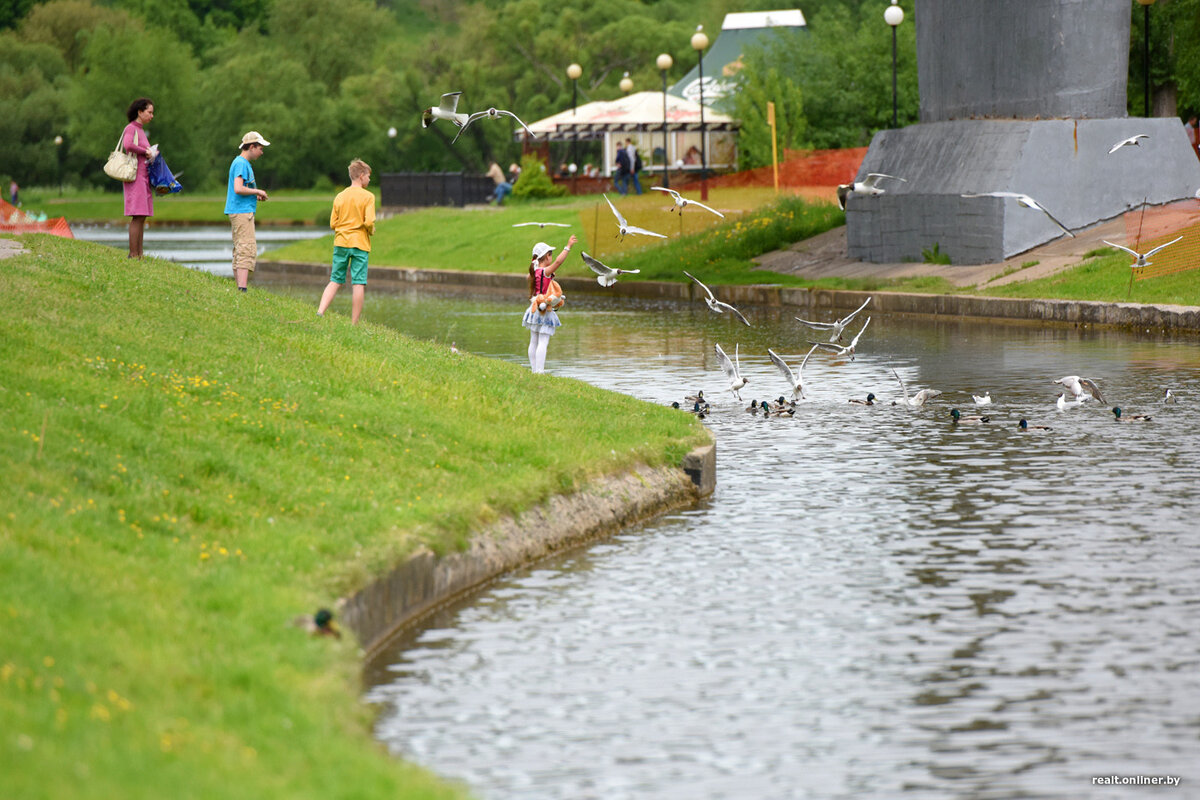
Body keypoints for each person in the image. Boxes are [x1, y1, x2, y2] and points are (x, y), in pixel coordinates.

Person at [317, 159, 376, 325]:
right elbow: (369, 222)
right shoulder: (369, 197)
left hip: (341, 243)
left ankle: (320, 311)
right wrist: (371, 230)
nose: (370, 180)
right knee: (358, 283)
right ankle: (354, 323)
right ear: (362, 175)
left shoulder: (340, 196)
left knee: (335, 279)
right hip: (360, 244)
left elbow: (332, 223)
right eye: (369, 176)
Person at [523, 234, 577, 374]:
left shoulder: (534, 271)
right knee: (543, 341)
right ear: (547, 256)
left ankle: (534, 370)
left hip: (533, 308)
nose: (552, 258)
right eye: (550, 255)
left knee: (533, 340)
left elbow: (528, 277)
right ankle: (539, 371)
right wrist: (568, 246)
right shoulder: (545, 272)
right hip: (544, 309)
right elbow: (558, 262)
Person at [224, 131, 270, 292]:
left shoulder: (241, 163)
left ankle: (239, 287)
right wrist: (258, 192)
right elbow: (238, 188)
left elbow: (242, 189)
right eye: (260, 148)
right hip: (242, 212)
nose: (262, 152)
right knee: (246, 247)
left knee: (240, 248)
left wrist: (253, 196)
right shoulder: (241, 163)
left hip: (240, 209)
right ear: (251, 147)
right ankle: (242, 289)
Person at [122, 98, 157, 258]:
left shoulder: (141, 130)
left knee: (142, 215)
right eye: (149, 112)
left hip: (143, 177)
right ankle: (133, 254)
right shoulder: (131, 128)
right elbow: (127, 145)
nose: (152, 115)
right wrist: (146, 151)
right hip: (135, 178)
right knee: (137, 215)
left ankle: (139, 253)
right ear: (140, 112)